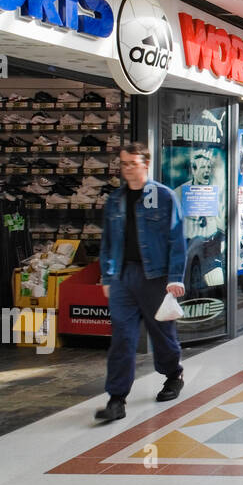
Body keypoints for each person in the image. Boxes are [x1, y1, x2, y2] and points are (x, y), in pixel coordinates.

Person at [95, 143, 187, 423]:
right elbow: (108, 243)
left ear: (146, 163)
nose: (128, 169)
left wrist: (175, 277)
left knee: (161, 333)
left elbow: (176, 240)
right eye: (124, 164)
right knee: (122, 337)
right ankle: (116, 399)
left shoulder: (164, 196)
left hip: (155, 276)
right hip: (124, 277)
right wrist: (108, 276)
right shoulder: (115, 200)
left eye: (133, 163)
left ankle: (173, 375)